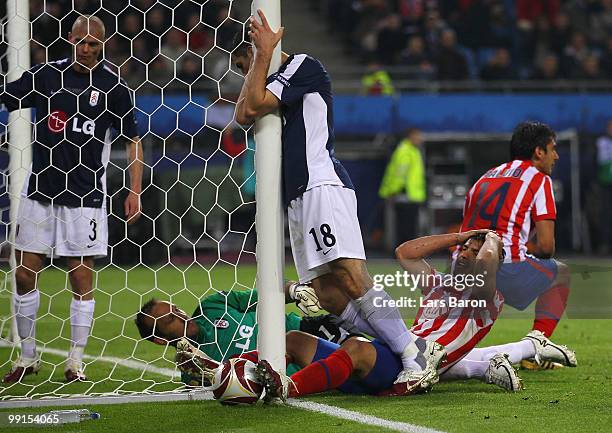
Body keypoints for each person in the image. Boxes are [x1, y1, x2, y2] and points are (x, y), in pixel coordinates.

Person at [232, 9, 438, 397]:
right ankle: (398, 348)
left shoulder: (306, 67)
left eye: (249, 63)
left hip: (320, 184)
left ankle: (413, 352)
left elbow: (254, 104)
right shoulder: (270, 77)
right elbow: (244, 112)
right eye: (243, 68)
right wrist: (256, 62)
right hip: (296, 198)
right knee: (327, 293)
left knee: (349, 273)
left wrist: (262, 54)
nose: (249, 73)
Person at [253, 231, 577, 398]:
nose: (467, 254)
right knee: (295, 339)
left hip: (415, 372)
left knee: (355, 347)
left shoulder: (488, 298)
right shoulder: (438, 285)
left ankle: (287, 388)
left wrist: (489, 238)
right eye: (465, 250)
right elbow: (404, 253)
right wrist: (459, 237)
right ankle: (231, 371)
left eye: (474, 253)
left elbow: (488, 262)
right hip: (400, 356)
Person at [2, 15, 143, 383]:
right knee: (23, 273)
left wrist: (134, 189)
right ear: (70, 39)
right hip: (41, 192)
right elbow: (7, 97)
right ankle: (28, 356)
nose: (87, 49)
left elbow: (133, 140)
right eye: (82, 42)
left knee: (81, 279)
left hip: (85, 197)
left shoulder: (113, 86)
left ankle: (74, 362)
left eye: (94, 44)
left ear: (103, 45)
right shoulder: (46, 75)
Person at [459, 121, 571, 368]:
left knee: (451, 342)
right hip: (504, 266)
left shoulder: (485, 176)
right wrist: (519, 248)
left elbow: (464, 229)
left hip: (461, 266)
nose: (556, 155)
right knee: (560, 273)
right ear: (538, 151)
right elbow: (546, 246)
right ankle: (536, 347)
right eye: (552, 148)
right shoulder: (539, 179)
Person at [134, 283, 355, 385]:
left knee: (368, 339)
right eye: (170, 319)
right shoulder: (194, 368)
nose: (181, 315)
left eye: (176, 309)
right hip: (301, 372)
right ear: (160, 340)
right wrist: (202, 373)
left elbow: (263, 295)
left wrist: (294, 291)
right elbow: (226, 388)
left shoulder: (211, 306)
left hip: (310, 331)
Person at [378, 128, 426, 243]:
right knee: (406, 228)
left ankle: (406, 253)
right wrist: (394, 191)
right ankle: (404, 253)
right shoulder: (405, 151)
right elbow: (400, 173)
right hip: (405, 195)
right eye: (418, 136)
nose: (420, 139)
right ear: (410, 136)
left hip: (411, 195)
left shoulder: (412, 150)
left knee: (407, 227)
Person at [596, 119, 612, 254]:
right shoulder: (602, 142)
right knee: (606, 214)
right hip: (606, 184)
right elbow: (600, 161)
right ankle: (605, 244)